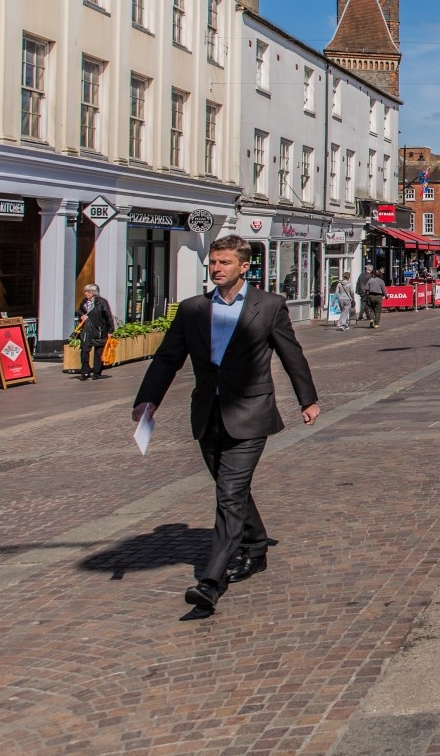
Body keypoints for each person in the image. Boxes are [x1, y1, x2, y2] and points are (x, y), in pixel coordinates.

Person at [132, 234, 320, 616]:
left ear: (244, 266)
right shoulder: (192, 310)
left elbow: (291, 354)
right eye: (213, 263)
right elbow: (168, 359)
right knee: (230, 488)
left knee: (229, 493)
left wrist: (308, 399)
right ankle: (255, 546)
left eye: (224, 263)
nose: (216, 268)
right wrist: (148, 400)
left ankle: (211, 581)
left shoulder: (268, 306)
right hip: (207, 413)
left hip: (251, 412)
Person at [73, 283, 115, 381]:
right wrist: (81, 315)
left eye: (88, 292)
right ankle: (85, 372)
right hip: (86, 331)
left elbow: (108, 316)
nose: (86, 294)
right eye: (85, 292)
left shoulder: (102, 302)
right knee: (84, 351)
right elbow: (79, 311)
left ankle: (97, 372)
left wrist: (110, 330)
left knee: (98, 352)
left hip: (99, 330)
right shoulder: (84, 302)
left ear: (94, 292)